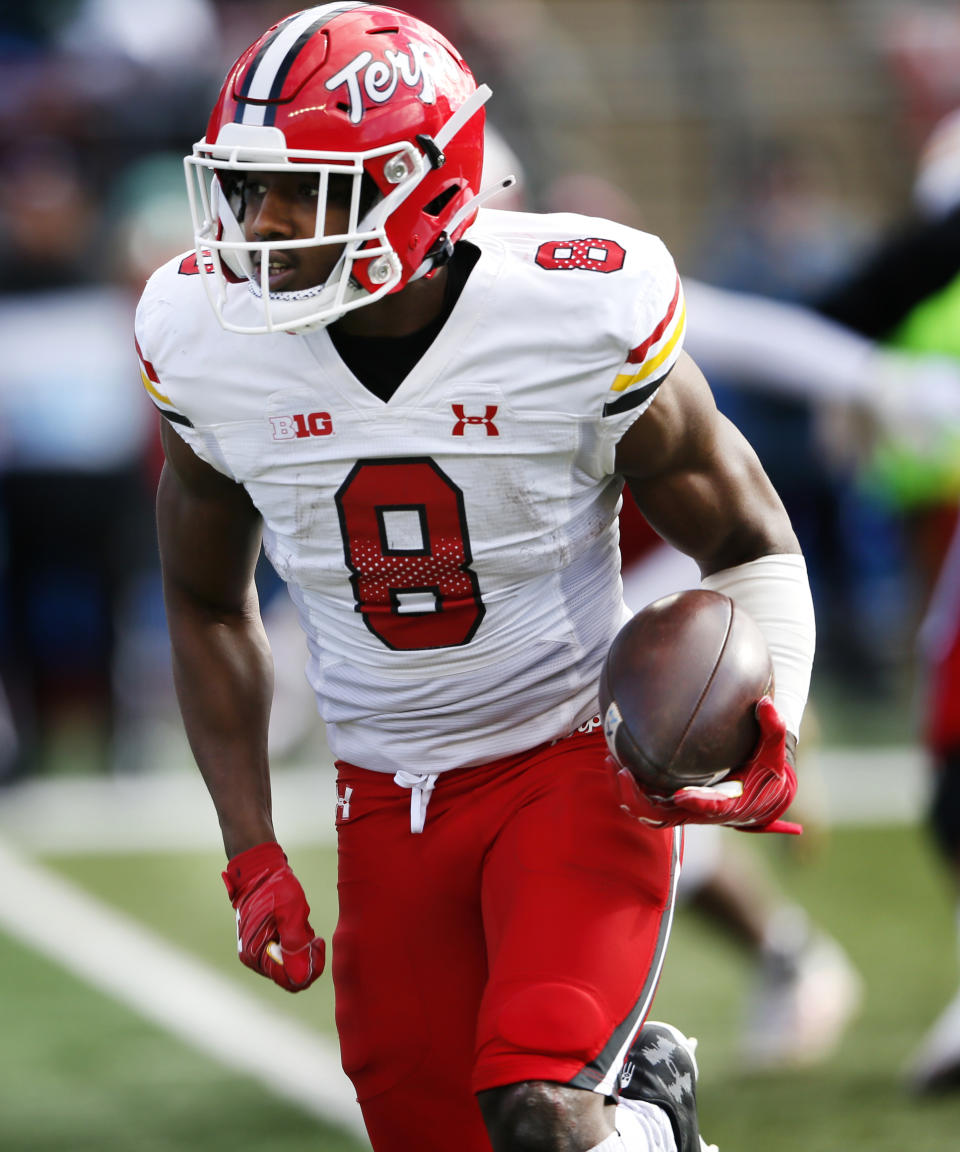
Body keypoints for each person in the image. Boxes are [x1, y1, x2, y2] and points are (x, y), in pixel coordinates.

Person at [138, 7, 816, 1151]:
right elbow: (208, 601)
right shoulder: (205, 338)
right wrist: (251, 848)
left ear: (419, 186)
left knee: (540, 1116)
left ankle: (635, 1124)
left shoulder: (573, 310)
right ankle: (652, 1125)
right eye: (248, 190)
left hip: (570, 764)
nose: (261, 227)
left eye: (305, 189)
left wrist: (769, 724)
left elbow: (749, 539)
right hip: (383, 796)